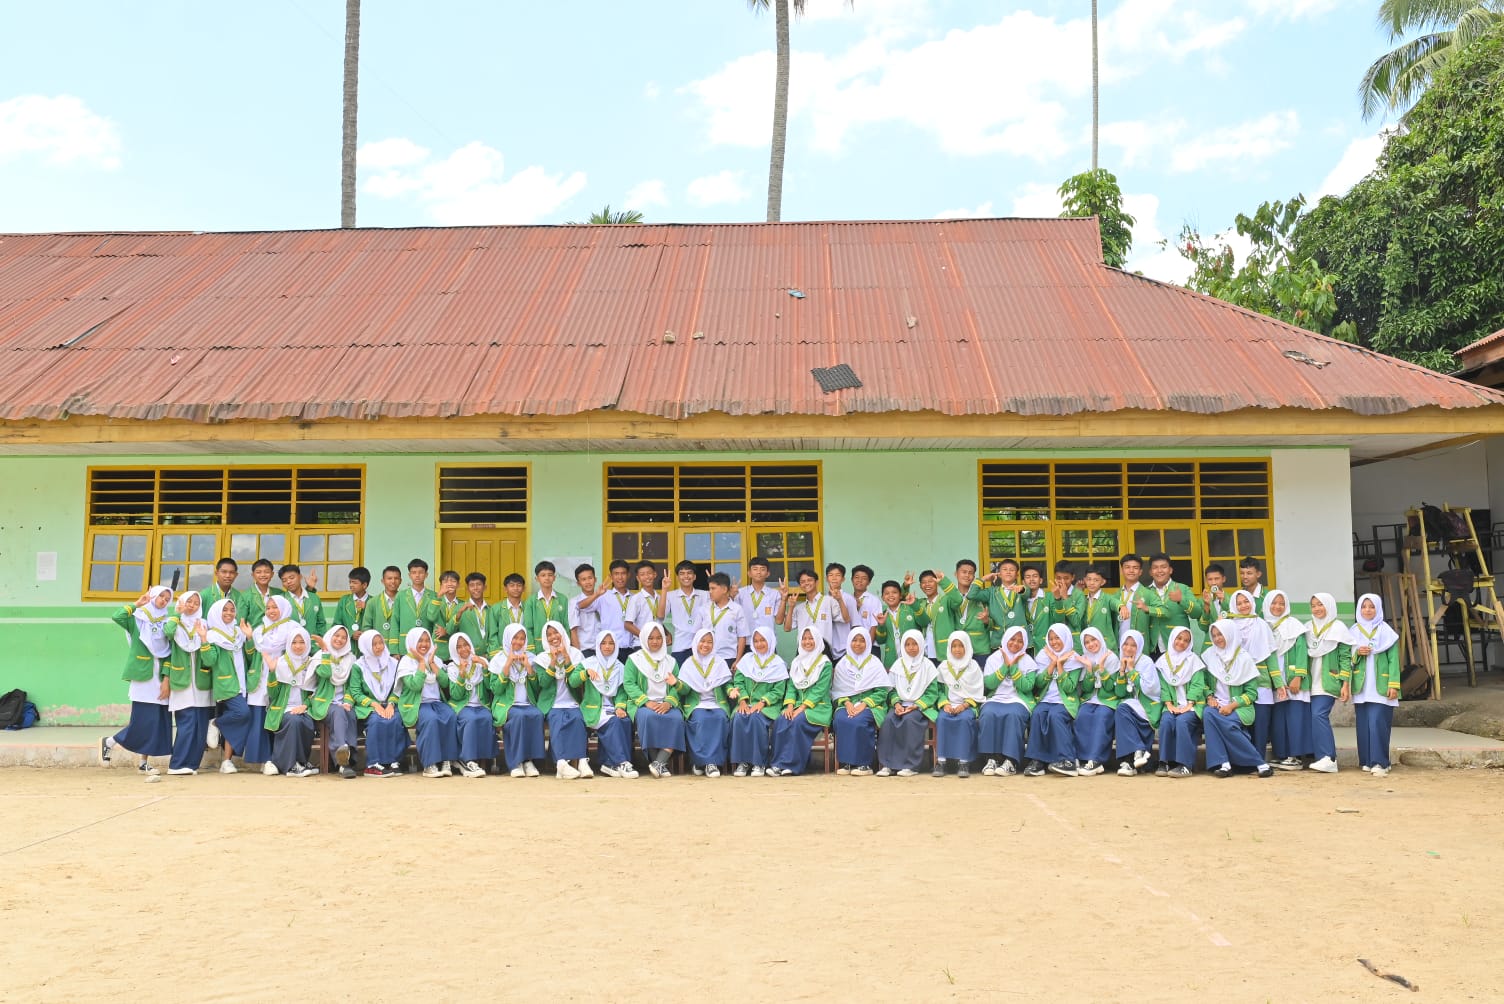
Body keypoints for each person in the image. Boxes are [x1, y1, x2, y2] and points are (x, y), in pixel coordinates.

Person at [100, 586, 175, 776]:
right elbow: (117, 616)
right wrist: (136, 604)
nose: (164, 601)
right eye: (161, 597)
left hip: (160, 678)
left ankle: (143, 762)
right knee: (143, 721)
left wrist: (167, 679)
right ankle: (110, 742)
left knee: (157, 722)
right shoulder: (138, 619)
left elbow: (170, 654)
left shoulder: (167, 622)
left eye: (167, 598)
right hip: (143, 676)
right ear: (153, 596)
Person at [1200, 620, 1274, 778]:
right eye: (1214, 635)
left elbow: (1252, 693)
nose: (1217, 639)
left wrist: (1232, 706)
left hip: (1240, 708)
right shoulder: (1209, 655)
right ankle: (1226, 764)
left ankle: (1257, 763)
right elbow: (1204, 684)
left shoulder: (1244, 658)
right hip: (1217, 706)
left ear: (1230, 634)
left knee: (1226, 724)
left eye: (1220, 634)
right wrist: (1210, 697)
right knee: (1208, 714)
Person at [768, 625, 833, 777]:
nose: (807, 642)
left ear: (817, 640)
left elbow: (819, 691)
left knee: (797, 722)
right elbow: (791, 686)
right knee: (782, 720)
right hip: (797, 706)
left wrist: (801, 708)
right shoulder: (797, 662)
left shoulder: (825, 663)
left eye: (811, 638)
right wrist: (790, 706)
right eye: (804, 638)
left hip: (818, 708)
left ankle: (791, 765)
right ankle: (777, 764)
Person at [623, 622, 685, 778]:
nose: (655, 641)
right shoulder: (634, 659)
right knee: (647, 717)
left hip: (665, 703)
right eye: (651, 638)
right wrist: (646, 702)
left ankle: (659, 762)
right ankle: (659, 763)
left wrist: (669, 702)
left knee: (676, 718)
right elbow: (629, 683)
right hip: (643, 704)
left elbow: (676, 686)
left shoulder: (670, 661)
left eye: (659, 638)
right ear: (644, 639)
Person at [1349, 593, 1401, 778]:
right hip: (1361, 686)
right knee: (1363, 725)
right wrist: (1357, 653)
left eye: (1371, 607)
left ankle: (1380, 762)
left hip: (1381, 686)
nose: (1367, 610)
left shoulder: (1386, 631)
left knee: (1378, 723)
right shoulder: (1353, 631)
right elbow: (1346, 657)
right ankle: (1366, 760)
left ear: (1378, 608)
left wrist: (1394, 684)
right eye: (1364, 607)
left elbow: (1394, 660)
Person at [1022, 623, 1083, 777]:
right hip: (1045, 699)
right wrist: (1052, 664)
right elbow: (1038, 684)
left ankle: (1067, 760)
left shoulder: (1074, 658)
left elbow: (1069, 687)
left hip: (1065, 701)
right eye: (1051, 639)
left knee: (1055, 715)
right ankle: (1037, 761)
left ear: (1065, 638)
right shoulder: (1043, 656)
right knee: (1037, 714)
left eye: (1058, 638)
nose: (1054, 642)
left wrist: (1060, 665)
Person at [877, 629, 940, 777]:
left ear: (920, 645)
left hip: (919, 707)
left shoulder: (928, 666)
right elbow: (891, 690)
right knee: (888, 720)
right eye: (907, 644)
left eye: (915, 644)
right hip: (900, 705)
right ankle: (888, 764)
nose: (911, 647)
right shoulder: (898, 664)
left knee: (910, 721)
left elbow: (932, 693)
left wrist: (916, 705)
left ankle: (909, 765)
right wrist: (897, 704)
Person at [534, 620, 592, 780]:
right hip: (552, 704)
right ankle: (561, 763)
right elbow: (543, 683)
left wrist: (566, 658)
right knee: (557, 721)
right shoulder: (542, 658)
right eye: (549, 635)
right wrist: (553, 661)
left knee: (578, 719)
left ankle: (582, 761)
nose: (553, 637)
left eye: (556, 633)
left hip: (572, 702)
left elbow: (576, 681)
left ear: (562, 633)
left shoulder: (575, 654)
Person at [575, 629, 638, 778]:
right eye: (603, 643)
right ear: (598, 645)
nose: (607, 646)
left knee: (625, 721)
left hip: (613, 708)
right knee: (614, 722)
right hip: (594, 708)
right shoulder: (588, 663)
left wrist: (620, 707)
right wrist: (585, 673)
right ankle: (622, 762)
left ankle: (608, 763)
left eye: (611, 643)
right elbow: (572, 680)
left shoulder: (620, 667)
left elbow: (622, 692)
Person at [202, 597, 254, 774]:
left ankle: (226, 761)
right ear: (217, 612)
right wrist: (204, 641)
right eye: (225, 610)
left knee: (235, 721)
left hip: (241, 681)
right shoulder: (212, 635)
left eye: (232, 610)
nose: (229, 613)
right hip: (226, 683)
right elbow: (209, 660)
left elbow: (249, 656)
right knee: (243, 713)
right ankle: (216, 723)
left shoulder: (238, 633)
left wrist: (249, 637)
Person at [1227, 589, 1279, 762]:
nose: (1243, 606)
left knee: (1261, 724)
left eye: (1246, 601)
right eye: (1239, 603)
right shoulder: (1230, 626)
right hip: (1238, 680)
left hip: (1261, 680)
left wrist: (1278, 683)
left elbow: (1271, 656)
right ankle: (1243, 761)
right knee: (1243, 723)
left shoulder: (1262, 624)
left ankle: (1259, 761)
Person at [829, 626, 889, 776]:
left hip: (871, 705)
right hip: (847, 704)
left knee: (860, 721)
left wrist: (864, 704)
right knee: (841, 719)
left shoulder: (874, 663)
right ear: (849, 642)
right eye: (854, 640)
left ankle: (865, 764)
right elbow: (837, 690)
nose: (858, 644)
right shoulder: (843, 663)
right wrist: (848, 703)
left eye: (862, 640)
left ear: (868, 643)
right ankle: (847, 762)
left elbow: (882, 692)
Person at [401, 627, 459, 779]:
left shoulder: (436, 659)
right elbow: (415, 686)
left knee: (450, 716)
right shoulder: (406, 661)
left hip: (436, 702)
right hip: (417, 703)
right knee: (431, 720)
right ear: (412, 642)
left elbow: (445, 683)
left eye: (427, 640)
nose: (424, 644)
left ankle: (447, 760)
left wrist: (432, 662)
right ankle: (430, 764)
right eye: (420, 641)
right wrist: (421, 662)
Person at [729, 626, 788, 777]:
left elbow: (778, 691)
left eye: (763, 640)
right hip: (746, 703)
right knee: (739, 718)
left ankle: (758, 763)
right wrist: (742, 701)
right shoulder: (747, 660)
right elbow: (739, 682)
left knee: (756, 718)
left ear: (770, 641)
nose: (759, 644)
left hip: (768, 706)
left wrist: (762, 703)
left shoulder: (778, 663)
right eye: (756, 641)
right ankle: (743, 762)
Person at [489, 623, 546, 778]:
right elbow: (495, 689)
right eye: (515, 638)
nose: (519, 642)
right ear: (508, 638)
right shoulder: (498, 659)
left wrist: (528, 667)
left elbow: (536, 688)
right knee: (519, 717)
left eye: (522, 638)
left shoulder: (531, 657)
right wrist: (507, 665)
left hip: (527, 704)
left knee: (536, 715)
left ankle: (528, 760)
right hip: (507, 705)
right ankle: (516, 762)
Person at [164, 590, 211, 776]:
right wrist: (177, 613)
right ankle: (176, 764)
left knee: (200, 724)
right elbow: (167, 633)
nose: (192, 605)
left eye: (195, 602)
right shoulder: (174, 622)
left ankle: (192, 764)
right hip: (182, 680)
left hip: (201, 680)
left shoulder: (204, 624)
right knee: (187, 722)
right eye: (188, 601)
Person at [978, 625, 1035, 777]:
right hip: (996, 698)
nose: (1015, 644)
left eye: (1020, 641)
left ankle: (1011, 761)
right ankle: (991, 759)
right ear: (1005, 639)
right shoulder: (994, 658)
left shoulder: (1028, 660)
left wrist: (1014, 667)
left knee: (1013, 715)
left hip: (1018, 700)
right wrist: (1005, 666)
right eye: (1012, 639)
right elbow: (989, 684)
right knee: (988, 714)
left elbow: (1028, 687)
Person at [1262, 589, 1310, 771]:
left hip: (1292, 680)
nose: (1277, 607)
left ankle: (1295, 756)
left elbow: (1301, 652)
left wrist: (1298, 676)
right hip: (1274, 680)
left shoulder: (1294, 625)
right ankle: (1282, 754)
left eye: (1281, 603)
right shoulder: (1263, 626)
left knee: (1295, 717)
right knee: (1279, 719)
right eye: (1274, 603)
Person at [251, 595, 298, 776]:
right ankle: (266, 759)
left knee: (280, 714)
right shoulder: (259, 630)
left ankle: (280, 758)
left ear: (284, 608)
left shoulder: (293, 628)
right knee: (261, 716)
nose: (271, 611)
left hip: (284, 675)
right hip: (262, 675)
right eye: (268, 607)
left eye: (275, 607)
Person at [265, 625, 320, 778]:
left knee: (307, 723)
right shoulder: (281, 662)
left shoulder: (311, 663)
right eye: (294, 642)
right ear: (289, 644)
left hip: (305, 708)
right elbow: (273, 694)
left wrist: (305, 705)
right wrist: (271, 673)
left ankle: (301, 762)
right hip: (283, 709)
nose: (298, 646)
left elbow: (317, 691)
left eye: (302, 642)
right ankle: (290, 766)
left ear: (308, 644)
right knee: (293, 721)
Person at [1305, 592, 1351, 774]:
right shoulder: (1308, 627)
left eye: (1320, 604)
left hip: (1328, 682)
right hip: (1309, 682)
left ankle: (1328, 757)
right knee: (1312, 718)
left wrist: (1345, 683)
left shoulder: (1339, 628)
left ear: (1329, 606)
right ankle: (1319, 756)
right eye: (1314, 605)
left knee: (1318, 715)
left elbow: (1345, 657)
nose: (1317, 608)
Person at [352, 630, 409, 777]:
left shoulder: (394, 663)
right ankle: (373, 764)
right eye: (374, 644)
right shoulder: (359, 666)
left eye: (380, 643)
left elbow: (399, 689)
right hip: (368, 706)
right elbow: (356, 692)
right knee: (377, 721)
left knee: (395, 719)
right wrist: (375, 705)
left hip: (390, 704)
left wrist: (390, 704)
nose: (378, 647)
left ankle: (393, 762)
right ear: (365, 646)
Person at [679, 628, 732, 777]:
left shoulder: (719, 662)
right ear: (696, 642)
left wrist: (730, 691)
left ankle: (711, 763)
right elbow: (684, 690)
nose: (705, 645)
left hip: (717, 704)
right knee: (701, 719)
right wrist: (676, 683)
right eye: (702, 641)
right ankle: (699, 761)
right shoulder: (688, 664)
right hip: (696, 705)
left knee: (719, 719)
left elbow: (727, 683)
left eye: (710, 642)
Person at [1155, 626, 1205, 778]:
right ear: (1172, 639)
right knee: (1166, 721)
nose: (1181, 642)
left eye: (1186, 640)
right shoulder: (1163, 661)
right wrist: (1169, 704)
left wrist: (1189, 704)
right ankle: (1164, 762)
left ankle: (1185, 765)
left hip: (1192, 706)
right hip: (1171, 705)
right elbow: (1162, 686)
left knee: (1182, 722)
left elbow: (1197, 685)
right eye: (1179, 638)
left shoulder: (1193, 660)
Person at [312, 624, 360, 778]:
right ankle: (342, 762)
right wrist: (326, 652)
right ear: (330, 636)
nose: (339, 639)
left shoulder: (351, 658)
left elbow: (353, 686)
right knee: (339, 712)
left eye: (343, 637)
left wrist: (348, 701)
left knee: (350, 713)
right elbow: (325, 673)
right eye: (336, 636)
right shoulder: (320, 656)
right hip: (324, 703)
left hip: (343, 702)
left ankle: (349, 756)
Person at [445, 631, 495, 778]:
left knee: (486, 718)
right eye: (459, 647)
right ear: (454, 650)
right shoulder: (452, 667)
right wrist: (461, 674)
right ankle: (467, 760)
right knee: (471, 719)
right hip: (462, 706)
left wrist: (485, 668)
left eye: (466, 645)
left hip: (481, 705)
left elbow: (489, 687)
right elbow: (456, 695)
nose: (463, 649)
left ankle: (484, 759)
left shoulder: (480, 663)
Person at [933, 631, 983, 778]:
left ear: (967, 647)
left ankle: (963, 762)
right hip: (949, 705)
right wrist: (945, 704)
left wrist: (965, 705)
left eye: (961, 646)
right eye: (954, 646)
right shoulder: (943, 666)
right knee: (942, 719)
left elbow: (978, 690)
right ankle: (941, 762)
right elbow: (939, 690)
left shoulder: (973, 666)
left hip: (968, 705)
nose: (957, 649)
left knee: (965, 720)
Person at [1073, 626, 1122, 776]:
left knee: (1102, 716)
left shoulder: (1111, 657)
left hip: (1108, 699)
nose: (1091, 644)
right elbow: (1087, 689)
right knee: (1082, 715)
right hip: (1090, 699)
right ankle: (1082, 758)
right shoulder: (1085, 658)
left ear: (1100, 639)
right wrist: (1088, 669)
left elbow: (1111, 689)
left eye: (1093, 640)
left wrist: (1101, 668)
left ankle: (1096, 760)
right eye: (1087, 642)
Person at [1112, 629, 1161, 776]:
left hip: (1148, 704)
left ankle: (1129, 760)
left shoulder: (1145, 661)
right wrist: (1122, 671)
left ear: (1139, 646)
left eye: (1133, 645)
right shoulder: (1121, 660)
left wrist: (1132, 670)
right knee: (1122, 710)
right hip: (1131, 705)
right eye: (1125, 644)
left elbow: (1150, 689)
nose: (1128, 648)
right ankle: (1135, 756)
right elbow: (1120, 693)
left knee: (1122, 710)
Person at [1138, 554, 1202, 658]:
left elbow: (1197, 613)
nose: (1159, 571)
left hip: (1179, 646)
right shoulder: (1145, 591)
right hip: (1153, 648)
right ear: (1150, 572)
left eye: (1163, 567)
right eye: (1155, 568)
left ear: (1170, 570)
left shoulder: (1182, 588)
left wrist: (1182, 600)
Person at [932, 559, 992, 659]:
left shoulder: (982, 596)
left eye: (971, 573)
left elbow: (994, 623)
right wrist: (944, 582)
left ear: (974, 576)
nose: (967, 575)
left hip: (979, 648)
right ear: (956, 574)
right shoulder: (946, 599)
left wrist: (987, 621)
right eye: (964, 572)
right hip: (957, 649)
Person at [969, 559, 1029, 650]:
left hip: (1019, 641)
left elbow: (1026, 592)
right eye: (1005, 569)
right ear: (999, 574)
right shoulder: (992, 592)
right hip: (999, 640)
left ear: (1017, 575)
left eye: (1012, 570)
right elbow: (971, 595)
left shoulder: (1021, 589)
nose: (1008, 572)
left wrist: (1021, 589)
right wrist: (983, 579)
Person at [871, 576, 929, 668]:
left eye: (894, 592)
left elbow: (925, 622)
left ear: (900, 595)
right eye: (887, 593)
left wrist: (915, 605)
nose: (890, 595)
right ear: (882, 597)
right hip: (892, 662)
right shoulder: (882, 615)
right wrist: (881, 625)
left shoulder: (910, 608)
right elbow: (880, 641)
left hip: (914, 659)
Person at [659, 560, 709, 664]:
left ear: (694, 576)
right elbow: (660, 615)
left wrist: (714, 584)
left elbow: (720, 606)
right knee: (679, 679)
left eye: (689, 573)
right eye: (682, 573)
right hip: (679, 647)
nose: (686, 576)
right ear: (677, 577)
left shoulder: (705, 595)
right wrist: (664, 589)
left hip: (701, 646)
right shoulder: (670, 595)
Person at [694, 572, 749, 664]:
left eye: (713, 588)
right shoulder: (704, 609)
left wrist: (738, 660)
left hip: (729, 657)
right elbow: (696, 635)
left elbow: (742, 637)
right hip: (707, 657)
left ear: (724, 589)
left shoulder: (737, 609)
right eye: (709, 588)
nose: (710, 592)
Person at [784, 567, 837, 655]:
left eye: (809, 580)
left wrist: (840, 600)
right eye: (802, 582)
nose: (806, 583)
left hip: (823, 648)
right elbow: (787, 628)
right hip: (804, 647)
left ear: (816, 582)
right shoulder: (799, 607)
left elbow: (845, 619)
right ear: (800, 585)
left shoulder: (829, 601)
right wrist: (791, 607)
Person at [736, 556, 788, 639]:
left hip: (768, 641)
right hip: (746, 641)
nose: (759, 572)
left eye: (762, 569)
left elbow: (779, 621)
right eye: (755, 569)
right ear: (749, 573)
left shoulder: (774, 594)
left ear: (768, 573)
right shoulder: (740, 593)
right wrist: (731, 596)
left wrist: (784, 599)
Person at [396, 558, 439, 658]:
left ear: (426, 574)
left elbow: (435, 622)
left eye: (421, 572)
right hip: (405, 644)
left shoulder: (434, 596)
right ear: (409, 575)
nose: (417, 575)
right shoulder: (401, 596)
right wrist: (394, 649)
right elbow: (395, 621)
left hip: (426, 645)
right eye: (414, 572)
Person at [360, 565, 405, 657]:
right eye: (389, 578)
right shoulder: (372, 602)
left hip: (399, 650)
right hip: (378, 650)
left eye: (396, 578)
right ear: (382, 581)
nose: (393, 581)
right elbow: (367, 627)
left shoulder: (405, 602)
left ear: (400, 581)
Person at [279, 564, 327, 643]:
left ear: (300, 576)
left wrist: (321, 642)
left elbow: (321, 623)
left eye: (291, 577)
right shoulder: (281, 600)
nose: (288, 581)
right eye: (284, 580)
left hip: (313, 646)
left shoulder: (314, 598)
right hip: (291, 647)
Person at [623, 561, 662, 657]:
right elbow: (627, 624)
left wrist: (666, 633)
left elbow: (656, 620)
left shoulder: (660, 597)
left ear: (655, 574)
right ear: (638, 578)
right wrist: (645, 637)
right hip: (640, 645)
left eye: (649, 573)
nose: (647, 577)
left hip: (658, 645)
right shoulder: (636, 599)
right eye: (642, 574)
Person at [567, 563, 603, 657]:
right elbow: (573, 630)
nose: (588, 582)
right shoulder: (574, 602)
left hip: (603, 649)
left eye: (590, 578)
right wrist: (578, 654)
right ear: (578, 583)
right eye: (583, 579)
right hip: (585, 649)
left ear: (595, 579)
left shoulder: (602, 599)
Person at [427, 570, 462, 663]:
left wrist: (446, 632)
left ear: (458, 585)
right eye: (446, 581)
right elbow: (431, 617)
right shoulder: (435, 601)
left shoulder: (463, 604)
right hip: (438, 650)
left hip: (458, 650)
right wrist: (439, 595)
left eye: (453, 581)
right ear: (441, 585)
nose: (449, 584)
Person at [454, 572, 492, 660]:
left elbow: (494, 635)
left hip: (488, 657)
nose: (475, 588)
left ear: (484, 587)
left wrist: (489, 654)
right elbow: (450, 630)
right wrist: (460, 612)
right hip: (468, 657)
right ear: (467, 589)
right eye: (472, 585)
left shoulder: (491, 609)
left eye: (478, 584)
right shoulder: (459, 608)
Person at [330, 566, 371, 644]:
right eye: (350, 582)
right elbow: (336, 625)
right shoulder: (344, 601)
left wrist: (367, 608)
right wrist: (350, 633)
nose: (351, 585)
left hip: (367, 646)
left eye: (355, 582)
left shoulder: (373, 602)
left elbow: (378, 624)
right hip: (347, 646)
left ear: (364, 585)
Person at [1079, 566, 1117, 647]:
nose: (1092, 583)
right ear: (1085, 580)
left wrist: (1122, 607)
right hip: (1088, 645)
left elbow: (1115, 603)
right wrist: (1078, 592)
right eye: (1089, 579)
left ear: (1103, 582)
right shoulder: (1083, 599)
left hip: (1105, 644)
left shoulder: (1107, 598)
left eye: (1096, 580)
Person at [1116, 554, 1151, 641]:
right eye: (1127, 567)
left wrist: (1147, 608)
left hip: (1139, 644)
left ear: (1140, 572)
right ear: (1121, 570)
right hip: (1119, 645)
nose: (1131, 570)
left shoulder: (1149, 594)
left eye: (1135, 568)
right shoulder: (1115, 595)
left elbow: (1164, 611)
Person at [1048, 560, 1086, 638]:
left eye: (1066, 578)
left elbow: (1076, 622)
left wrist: (1065, 598)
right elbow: (1057, 621)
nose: (1062, 582)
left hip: (1074, 641)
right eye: (1058, 578)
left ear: (1073, 577)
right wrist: (1057, 598)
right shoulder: (1050, 595)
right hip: (1056, 641)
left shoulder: (1079, 595)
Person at [1022, 565, 1052, 653]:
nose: (1031, 579)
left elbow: (1059, 619)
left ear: (1041, 580)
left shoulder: (1050, 597)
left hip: (1045, 647)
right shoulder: (1019, 600)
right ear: (1023, 582)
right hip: (1025, 648)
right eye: (1028, 577)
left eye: (1035, 576)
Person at [1197, 563, 1229, 635]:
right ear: (1206, 580)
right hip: (1209, 643)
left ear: (1223, 579)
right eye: (1210, 579)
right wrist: (1206, 606)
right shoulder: (1201, 601)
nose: (1213, 582)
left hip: (1229, 641)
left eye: (1217, 579)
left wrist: (1224, 602)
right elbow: (1203, 627)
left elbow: (1235, 621)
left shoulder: (1232, 598)